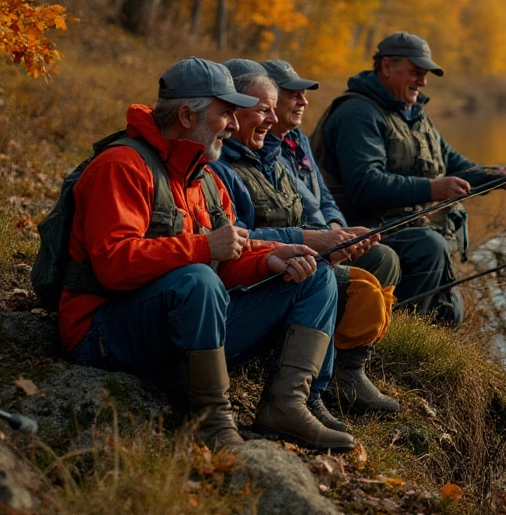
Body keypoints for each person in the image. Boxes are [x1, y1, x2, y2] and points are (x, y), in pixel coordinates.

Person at [58, 57, 354, 452]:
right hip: (102, 334)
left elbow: (226, 260)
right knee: (198, 279)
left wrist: (269, 259)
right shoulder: (121, 166)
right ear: (185, 114)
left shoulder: (206, 177)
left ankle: (286, 406)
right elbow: (113, 264)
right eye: (226, 113)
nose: (234, 125)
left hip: (176, 329)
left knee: (314, 275)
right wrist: (202, 247)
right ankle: (212, 421)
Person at [211, 60, 403, 415]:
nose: (271, 120)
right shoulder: (219, 167)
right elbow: (234, 239)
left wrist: (335, 234)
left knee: (381, 259)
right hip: (261, 275)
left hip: (294, 254)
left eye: (272, 110)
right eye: (263, 110)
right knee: (334, 282)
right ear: (232, 112)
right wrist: (308, 241)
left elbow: (316, 204)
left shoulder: (275, 154)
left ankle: (345, 372)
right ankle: (309, 393)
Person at [310, 32, 506, 326]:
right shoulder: (357, 113)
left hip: (402, 226)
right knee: (429, 245)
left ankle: (418, 332)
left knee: (452, 313)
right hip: (357, 228)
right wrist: (433, 189)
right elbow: (365, 185)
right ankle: (394, 337)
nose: (422, 82)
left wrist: (493, 177)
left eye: (424, 75)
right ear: (387, 67)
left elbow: (453, 164)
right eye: (415, 73)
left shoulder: (415, 115)